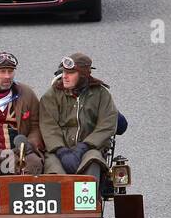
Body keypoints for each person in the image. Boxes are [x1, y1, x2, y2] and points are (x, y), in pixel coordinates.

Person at [40, 52, 117, 184]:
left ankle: (89, 202)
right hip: (58, 151)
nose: (64, 76)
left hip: (90, 149)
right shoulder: (51, 95)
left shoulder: (101, 94)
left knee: (93, 160)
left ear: (82, 75)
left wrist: (84, 146)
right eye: (64, 72)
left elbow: (107, 124)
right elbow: (48, 126)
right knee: (53, 169)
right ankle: (59, 202)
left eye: (70, 73)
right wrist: (61, 150)